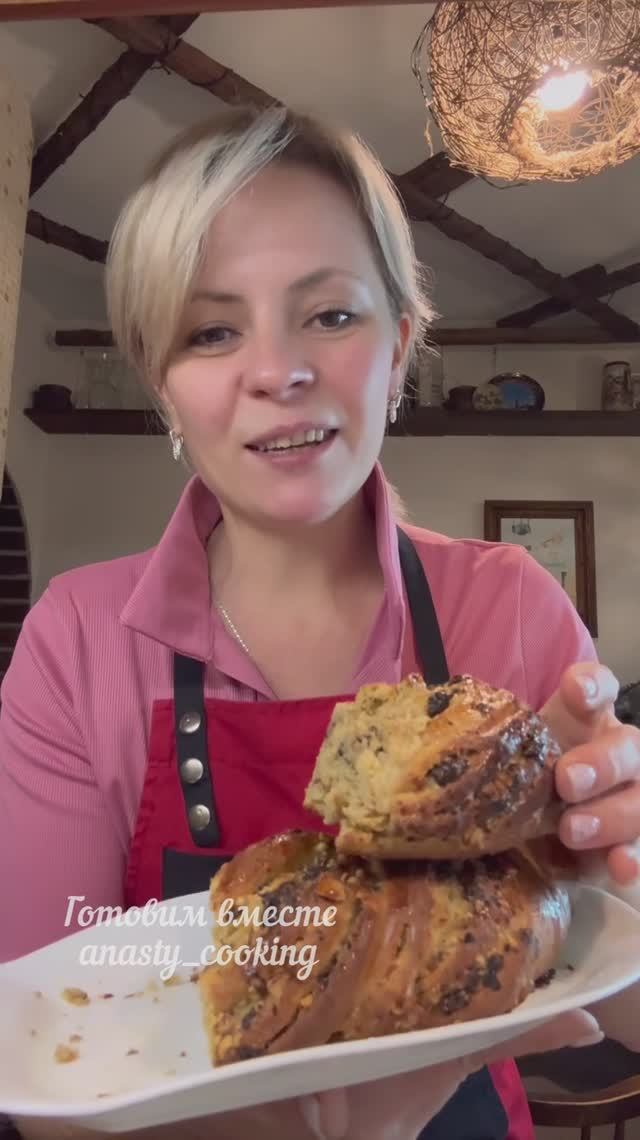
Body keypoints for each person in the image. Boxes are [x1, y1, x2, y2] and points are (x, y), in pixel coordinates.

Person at [0, 105, 638, 1140]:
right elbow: (46, 1073)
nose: (277, 370)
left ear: (400, 346)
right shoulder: (76, 641)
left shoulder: (510, 603)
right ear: (163, 386)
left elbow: (616, 1006)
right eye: (211, 331)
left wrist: (596, 871)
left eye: (331, 315)